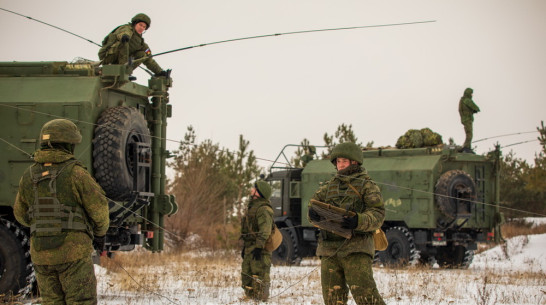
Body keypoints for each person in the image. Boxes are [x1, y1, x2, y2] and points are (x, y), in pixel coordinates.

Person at [13, 119, 109, 305]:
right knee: (82, 301)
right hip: (73, 253)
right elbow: (99, 209)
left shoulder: (29, 175)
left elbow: (20, 215)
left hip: (41, 254)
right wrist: (100, 232)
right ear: (69, 144)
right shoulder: (76, 174)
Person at [308, 142, 386, 305]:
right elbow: (313, 206)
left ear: (354, 162)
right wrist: (313, 214)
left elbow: (377, 214)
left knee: (366, 297)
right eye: (338, 161)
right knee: (332, 299)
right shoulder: (328, 187)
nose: (340, 165)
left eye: (344, 161)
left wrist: (358, 220)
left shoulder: (367, 186)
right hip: (330, 251)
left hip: (356, 249)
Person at [98, 13, 168, 76]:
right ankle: (122, 71)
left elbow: (149, 59)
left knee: (143, 54)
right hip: (109, 57)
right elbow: (123, 33)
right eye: (140, 25)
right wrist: (124, 36)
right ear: (135, 23)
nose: (142, 28)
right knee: (124, 42)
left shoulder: (141, 43)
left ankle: (125, 71)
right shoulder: (127, 28)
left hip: (121, 62)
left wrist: (160, 72)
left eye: (144, 27)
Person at [240, 181, 274, 301]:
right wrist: (245, 248)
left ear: (259, 192)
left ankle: (261, 300)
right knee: (246, 276)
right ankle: (251, 299)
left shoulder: (264, 209)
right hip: (250, 248)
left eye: (254, 188)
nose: (251, 190)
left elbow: (265, 230)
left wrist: (259, 248)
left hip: (260, 249)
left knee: (260, 276)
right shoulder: (252, 207)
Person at [458, 87, 480, 153]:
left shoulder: (462, 100)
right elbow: (476, 108)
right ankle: (466, 147)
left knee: (468, 133)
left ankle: (467, 147)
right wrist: (473, 110)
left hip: (465, 119)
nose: (471, 95)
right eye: (471, 94)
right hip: (467, 119)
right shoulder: (467, 100)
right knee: (469, 134)